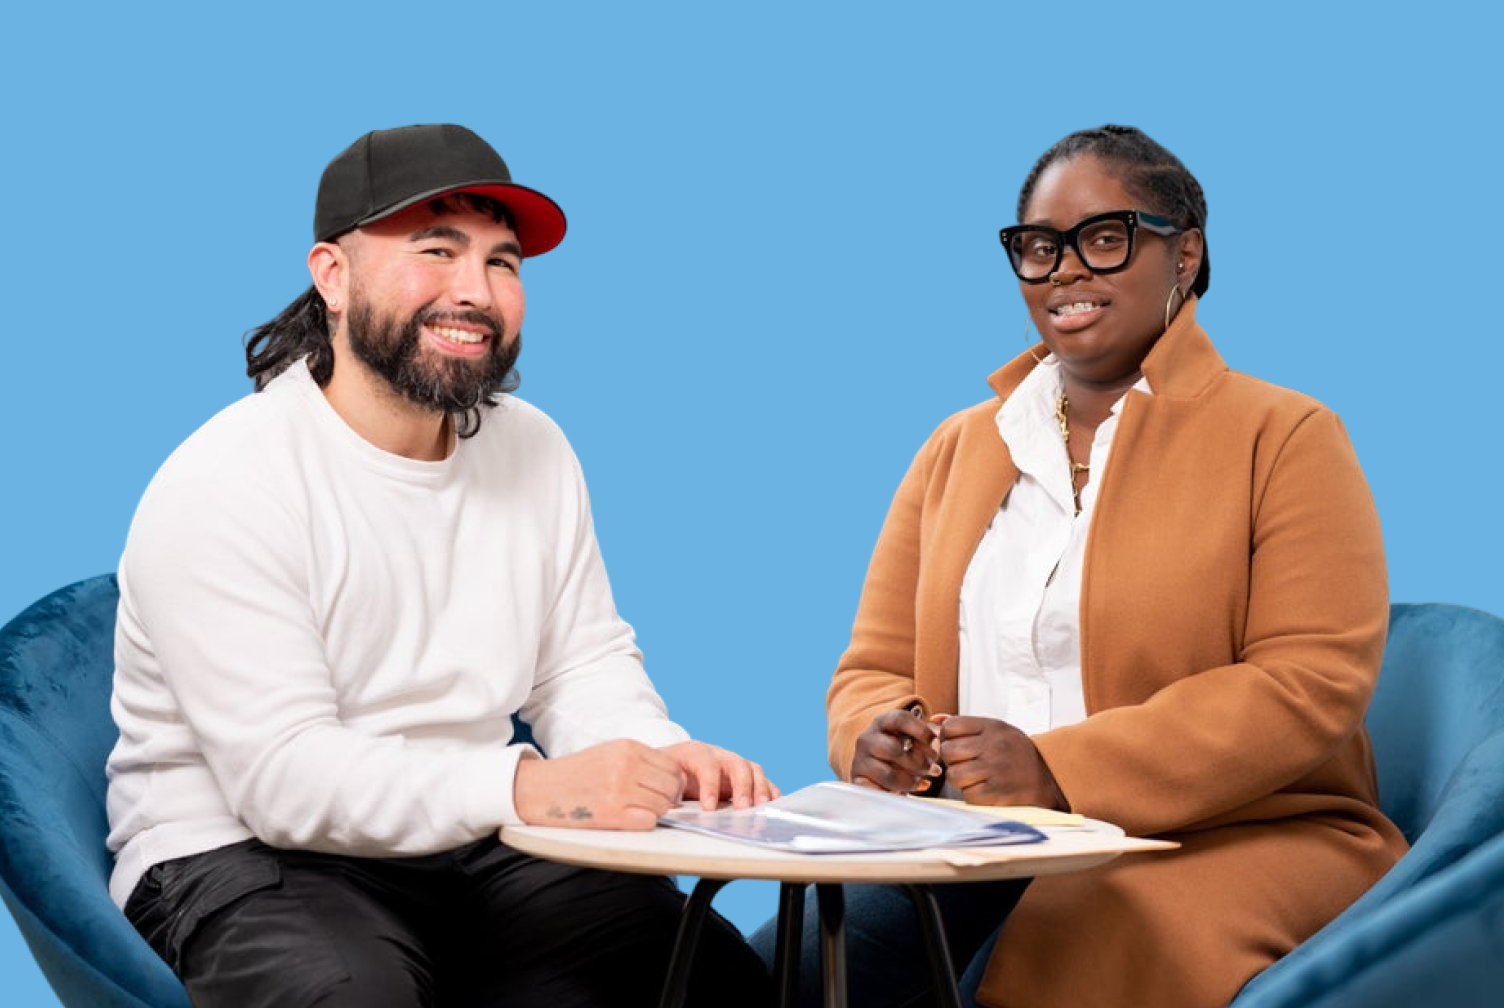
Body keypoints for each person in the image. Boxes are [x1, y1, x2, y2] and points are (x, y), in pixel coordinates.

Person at [106, 123, 776, 1008]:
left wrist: (657, 756)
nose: (478, 292)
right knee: (354, 995)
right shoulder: (226, 480)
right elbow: (284, 780)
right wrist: (533, 786)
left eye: (503, 263)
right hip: (240, 849)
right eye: (436, 251)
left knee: (705, 975)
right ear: (332, 277)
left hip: (473, 839)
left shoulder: (533, 448)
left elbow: (579, 665)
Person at [753, 125, 1406, 1008]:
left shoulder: (1284, 437)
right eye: (1039, 248)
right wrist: (878, 737)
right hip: (977, 839)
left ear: (1185, 256)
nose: (1064, 270)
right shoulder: (957, 449)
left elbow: (1310, 682)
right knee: (778, 970)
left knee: (1052, 956)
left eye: (1105, 239)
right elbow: (871, 667)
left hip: (1231, 836)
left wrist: (1063, 770)